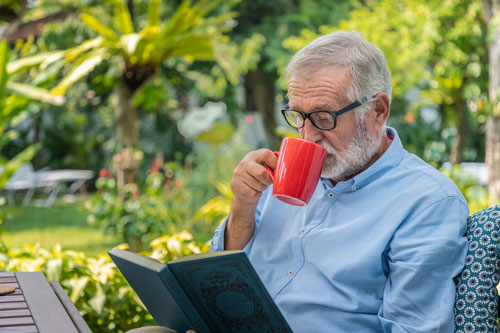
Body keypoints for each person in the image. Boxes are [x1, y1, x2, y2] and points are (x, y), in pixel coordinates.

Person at [210, 30, 468, 332]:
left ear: (378, 110)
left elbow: (412, 328)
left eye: (323, 116)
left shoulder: (426, 201)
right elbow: (217, 282)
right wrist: (242, 204)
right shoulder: (281, 174)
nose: (308, 135)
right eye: (298, 115)